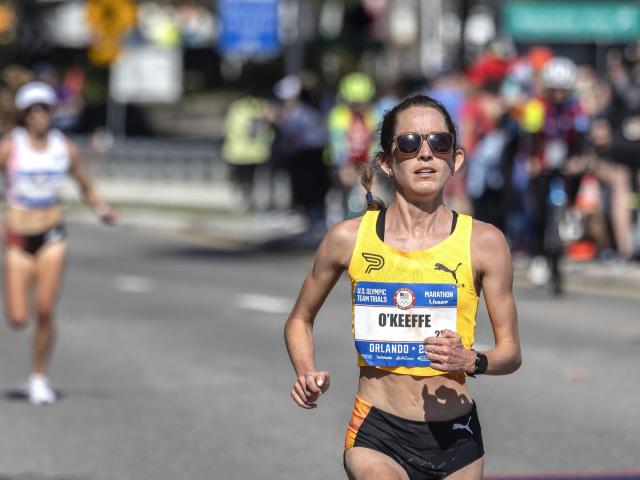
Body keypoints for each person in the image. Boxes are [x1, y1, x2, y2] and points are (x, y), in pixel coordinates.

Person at [284, 94, 522, 479]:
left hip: (455, 438)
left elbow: (511, 352)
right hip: (378, 431)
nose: (425, 155)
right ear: (387, 162)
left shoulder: (485, 242)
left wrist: (471, 360)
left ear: (455, 159)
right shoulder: (348, 239)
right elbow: (299, 319)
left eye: (439, 143)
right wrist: (306, 371)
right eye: (410, 144)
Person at [0, 81, 117, 405]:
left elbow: (83, 182)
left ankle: (38, 376)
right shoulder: (11, 146)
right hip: (18, 236)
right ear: (24, 115)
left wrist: (101, 208)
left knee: (46, 310)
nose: (41, 117)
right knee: (18, 317)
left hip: (52, 233)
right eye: (34, 111)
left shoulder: (63, 148)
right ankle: (34, 372)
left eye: (46, 110)